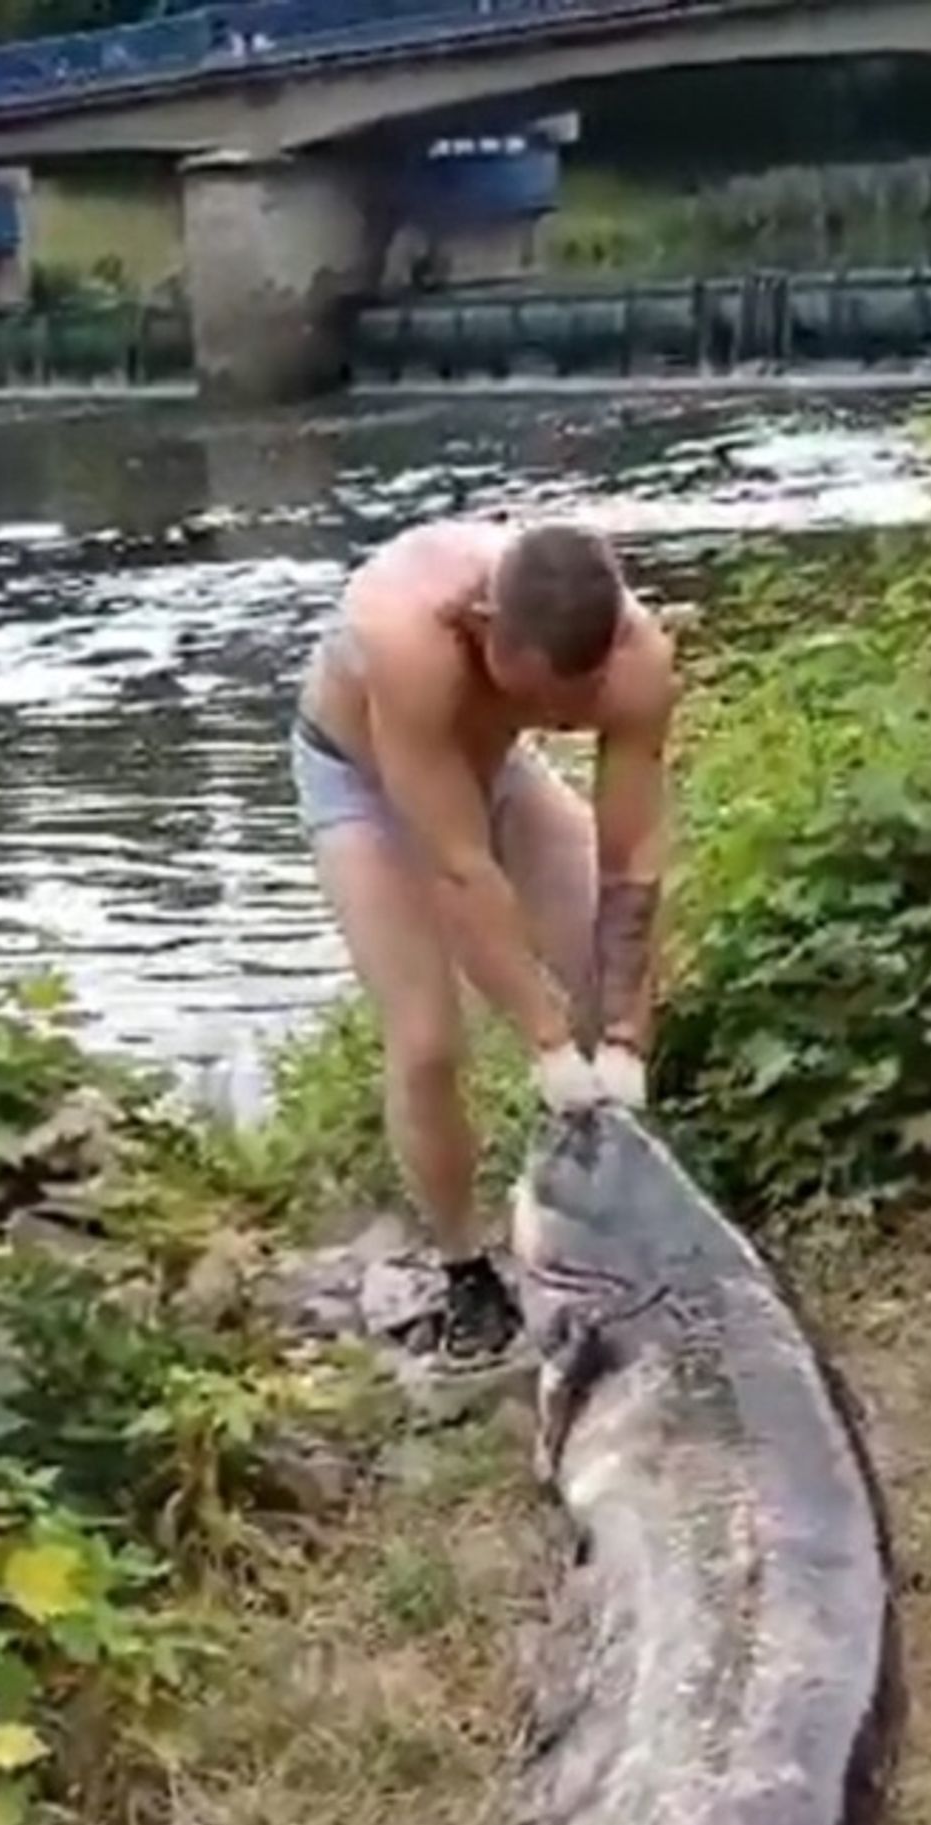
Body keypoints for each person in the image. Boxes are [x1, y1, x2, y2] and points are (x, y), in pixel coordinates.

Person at [292, 515, 677, 1370]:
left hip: (494, 768)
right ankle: (465, 1267)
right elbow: (461, 870)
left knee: (612, 974)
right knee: (429, 1041)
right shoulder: (407, 639)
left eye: (568, 710)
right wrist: (549, 1045)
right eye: (532, 697)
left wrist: (622, 1037)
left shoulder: (639, 660)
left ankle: (620, 1216)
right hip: (364, 780)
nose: (550, 717)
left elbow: (633, 862)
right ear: (484, 626)